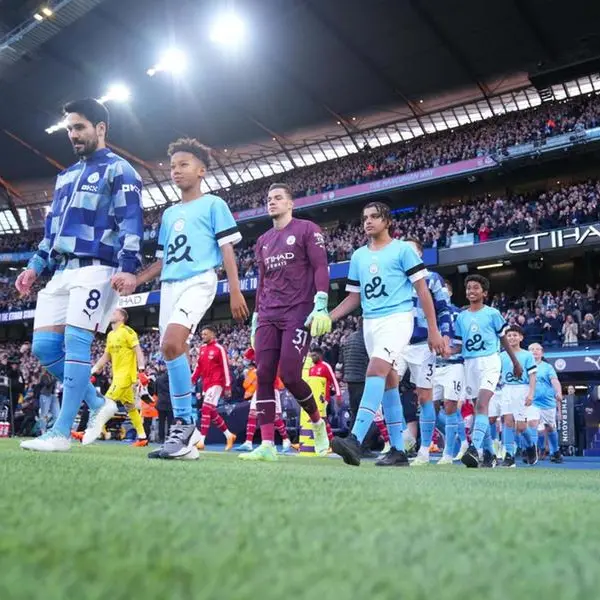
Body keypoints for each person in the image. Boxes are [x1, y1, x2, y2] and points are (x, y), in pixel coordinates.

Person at [18, 99, 144, 452]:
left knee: (76, 343)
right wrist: (34, 267)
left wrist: (129, 267)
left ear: (100, 128)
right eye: (70, 129)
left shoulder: (121, 170)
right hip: (61, 271)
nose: (73, 135)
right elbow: (51, 233)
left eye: (79, 127)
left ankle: (61, 433)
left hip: (98, 268)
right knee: (44, 347)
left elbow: (131, 223)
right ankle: (98, 402)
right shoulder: (65, 176)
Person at [128, 137, 248, 460]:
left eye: (183, 165)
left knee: (171, 342)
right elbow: (162, 261)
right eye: (172, 167)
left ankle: (184, 422)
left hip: (199, 279)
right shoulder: (168, 215)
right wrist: (136, 280)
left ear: (201, 170)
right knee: (171, 351)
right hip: (169, 285)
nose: (175, 171)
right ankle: (185, 438)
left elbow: (226, 249)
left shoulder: (214, 205)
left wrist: (234, 289)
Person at [328, 201, 446, 467]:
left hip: (397, 318)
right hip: (370, 323)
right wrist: (329, 316)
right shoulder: (358, 256)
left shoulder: (403, 249)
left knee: (375, 371)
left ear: (387, 221)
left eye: (374, 217)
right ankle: (398, 450)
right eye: (365, 217)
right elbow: (353, 297)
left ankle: (355, 439)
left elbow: (423, 292)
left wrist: (434, 330)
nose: (368, 221)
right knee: (389, 383)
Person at [240, 183, 330, 462]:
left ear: (291, 203)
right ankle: (267, 445)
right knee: (264, 374)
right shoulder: (263, 240)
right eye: (268, 199)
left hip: (298, 311)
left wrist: (322, 302)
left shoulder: (307, 229)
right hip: (268, 312)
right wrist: (256, 315)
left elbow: (320, 267)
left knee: (290, 375)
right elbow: (263, 281)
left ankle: (317, 425)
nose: (272, 202)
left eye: (278, 198)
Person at [453, 275, 523, 468]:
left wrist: (515, 362)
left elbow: (503, 340)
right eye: (468, 288)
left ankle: (474, 449)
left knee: (482, 404)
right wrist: (444, 349)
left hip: (490, 361)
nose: (471, 291)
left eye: (475, 288)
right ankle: (490, 454)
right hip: (470, 364)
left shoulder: (492, 313)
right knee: (478, 409)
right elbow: (458, 346)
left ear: (484, 293)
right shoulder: (461, 317)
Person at [399, 238, 452, 466]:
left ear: (420, 255)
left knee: (424, 397)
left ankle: (423, 450)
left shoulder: (431, 278)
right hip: (397, 342)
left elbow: (444, 308)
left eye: (411, 251)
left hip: (422, 344)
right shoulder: (395, 279)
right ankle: (398, 442)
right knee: (383, 384)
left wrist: (445, 334)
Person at [90, 308, 149, 447]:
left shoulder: (128, 332)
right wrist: (93, 371)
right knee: (130, 408)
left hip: (126, 376)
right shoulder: (110, 335)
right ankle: (142, 438)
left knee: (106, 402)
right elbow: (106, 356)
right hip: (117, 375)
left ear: (122, 317)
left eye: (115, 313)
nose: (111, 313)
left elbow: (138, 351)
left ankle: (90, 432)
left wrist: (141, 370)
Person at [432, 291, 466, 464]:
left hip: (454, 364)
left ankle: (448, 453)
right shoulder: (426, 311)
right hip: (433, 366)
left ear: (450, 293)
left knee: (451, 406)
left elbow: (462, 344)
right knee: (429, 409)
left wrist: (449, 351)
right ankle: (425, 449)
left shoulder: (459, 314)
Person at [237, 347, 291, 453]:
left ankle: (286, 439)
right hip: (260, 388)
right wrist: (251, 349)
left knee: (274, 416)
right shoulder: (259, 352)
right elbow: (246, 361)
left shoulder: (276, 354)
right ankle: (248, 442)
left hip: (271, 387)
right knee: (252, 414)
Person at [191, 325, 236, 451]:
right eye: (202, 334)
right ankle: (229, 435)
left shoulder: (219, 349)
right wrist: (193, 378)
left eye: (206, 334)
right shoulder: (202, 348)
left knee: (206, 408)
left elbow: (226, 367)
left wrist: (227, 385)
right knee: (211, 411)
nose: (203, 336)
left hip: (217, 382)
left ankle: (201, 441)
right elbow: (199, 366)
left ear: (212, 334)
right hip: (206, 383)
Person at [498, 326, 537, 468]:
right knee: (508, 422)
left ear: (521, 337)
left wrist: (531, 393)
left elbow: (533, 376)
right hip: (507, 389)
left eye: (515, 335)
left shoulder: (527, 355)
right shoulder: (501, 356)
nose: (512, 338)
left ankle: (530, 446)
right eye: (509, 335)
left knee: (521, 427)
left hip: (522, 389)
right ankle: (509, 456)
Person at [528, 342, 563, 463]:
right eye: (532, 349)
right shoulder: (524, 366)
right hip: (532, 402)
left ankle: (555, 452)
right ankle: (534, 451)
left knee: (550, 428)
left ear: (542, 353)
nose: (535, 351)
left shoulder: (548, 367)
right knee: (534, 425)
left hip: (548, 403)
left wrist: (558, 392)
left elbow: (555, 381)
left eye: (538, 349)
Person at [308, 346, 342, 444]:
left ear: (320, 355)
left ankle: (331, 442)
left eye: (314, 355)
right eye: (311, 355)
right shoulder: (311, 368)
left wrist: (338, 395)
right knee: (316, 420)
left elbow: (334, 380)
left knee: (321, 419)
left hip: (323, 398)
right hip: (312, 398)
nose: (312, 357)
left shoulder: (325, 366)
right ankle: (321, 442)